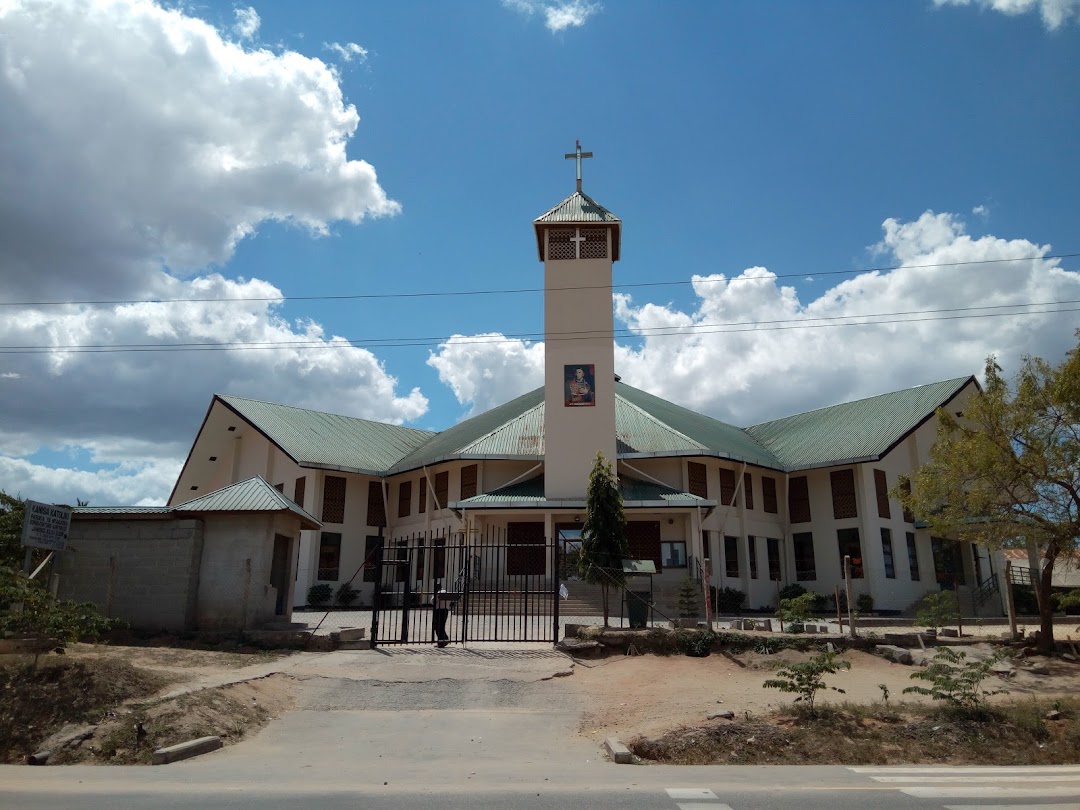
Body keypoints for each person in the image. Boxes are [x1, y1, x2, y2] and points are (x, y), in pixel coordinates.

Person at [432, 581, 450, 648]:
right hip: (446, 610)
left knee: (437, 626)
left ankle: (442, 641)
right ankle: (443, 640)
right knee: (442, 625)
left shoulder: (437, 593)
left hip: (439, 610)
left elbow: (433, 601)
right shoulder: (446, 592)